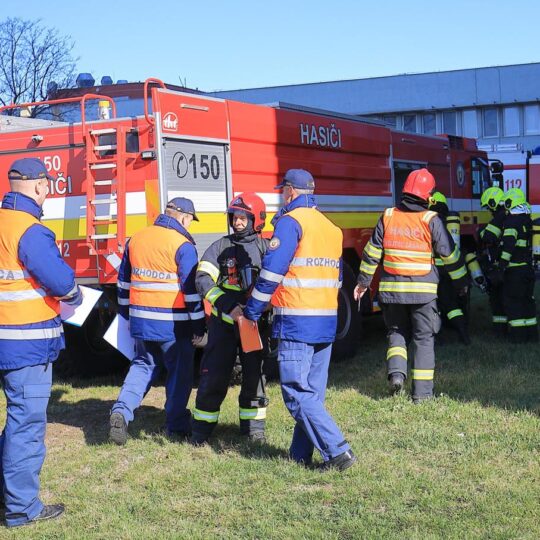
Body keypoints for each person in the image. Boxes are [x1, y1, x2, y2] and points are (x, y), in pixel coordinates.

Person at [244, 169, 356, 472]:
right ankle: (299, 455)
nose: (283, 195)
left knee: (295, 393)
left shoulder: (290, 223)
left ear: (291, 191)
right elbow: (339, 274)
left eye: (284, 191)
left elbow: (272, 272)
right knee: (312, 395)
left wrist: (252, 309)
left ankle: (338, 451)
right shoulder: (331, 228)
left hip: (297, 320)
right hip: (326, 320)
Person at [0, 158, 82, 528]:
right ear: (37, 186)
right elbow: (62, 282)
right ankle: (21, 508)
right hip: (26, 342)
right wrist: (76, 294)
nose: (48, 191)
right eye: (48, 185)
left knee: (15, 421)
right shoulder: (30, 230)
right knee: (26, 424)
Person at [354, 168, 468, 403]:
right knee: (423, 340)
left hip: (392, 292)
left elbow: (371, 254)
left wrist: (363, 283)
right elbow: (450, 256)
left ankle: (396, 375)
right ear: (428, 195)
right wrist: (461, 283)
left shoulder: (387, 216)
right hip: (423, 294)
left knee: (396, 333)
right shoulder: (431, 219)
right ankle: (422, 395)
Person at [109, 198, 205, 445]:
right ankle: (176, 427)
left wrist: (126, 315)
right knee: (179, 373)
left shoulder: (137, 238)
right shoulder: (183, 245)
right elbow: (191, 292)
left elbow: (123, 284)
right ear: (183, 218)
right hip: (174, 324)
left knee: (142, 366)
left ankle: (121, 410)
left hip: (141, 320)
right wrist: (199, 327)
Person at [191, 193, 269, 445]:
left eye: (243, 218)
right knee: (214, 375)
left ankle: (253, 429)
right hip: (223, 325)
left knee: (254, 377)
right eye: (234, 217)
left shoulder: (265, 248)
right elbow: (203, 280)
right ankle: (201, 429)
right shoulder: (219, 247)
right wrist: (228, 306)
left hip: (255, 325)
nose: (237, 222)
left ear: (256, 220)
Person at [429, 191, 470, 344]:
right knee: (452, 305)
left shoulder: (429, 222)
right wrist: (461, 282)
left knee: (434, 306)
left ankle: (438, 339)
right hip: (449, 272)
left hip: (432, 272)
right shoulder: (448, 223)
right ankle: (463, 334)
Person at [498, 188, 537, 342]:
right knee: (528, 302)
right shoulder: (527, 221)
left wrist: (501, 265)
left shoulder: (511, 222)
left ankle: (518, 338)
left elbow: (508, 246)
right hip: (528, 270)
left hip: (515, 271)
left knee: (514, 302)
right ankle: (532, 336)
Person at [478, 186, 507, 331]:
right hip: (507, 265)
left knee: (498, 299)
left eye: (488, 207)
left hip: (499, 266)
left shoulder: (500, 217)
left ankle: (500, 331)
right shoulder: (507, 216)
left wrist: (480, 230)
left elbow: (487, 236)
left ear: (493, 203)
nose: (489, 210)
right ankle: (503, 330)